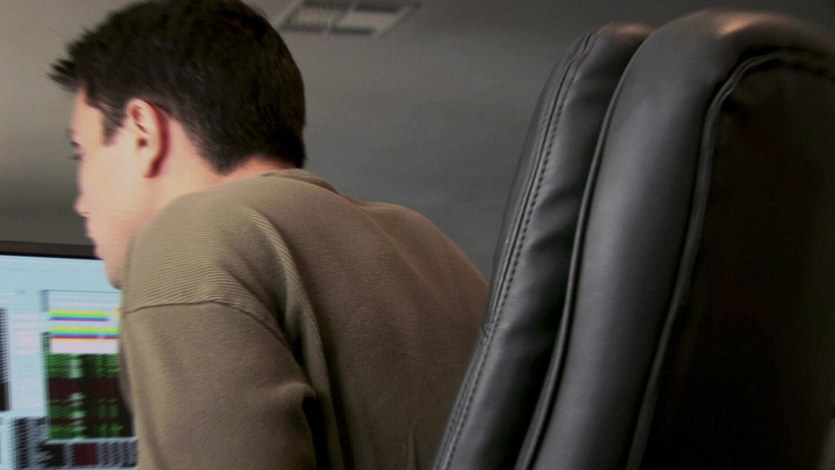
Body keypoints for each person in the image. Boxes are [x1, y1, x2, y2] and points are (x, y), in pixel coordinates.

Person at [50, 1, 488, 468]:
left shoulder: (185, 240)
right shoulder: (428, 243)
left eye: (81, 152)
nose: (82, 201)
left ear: (143, 132)